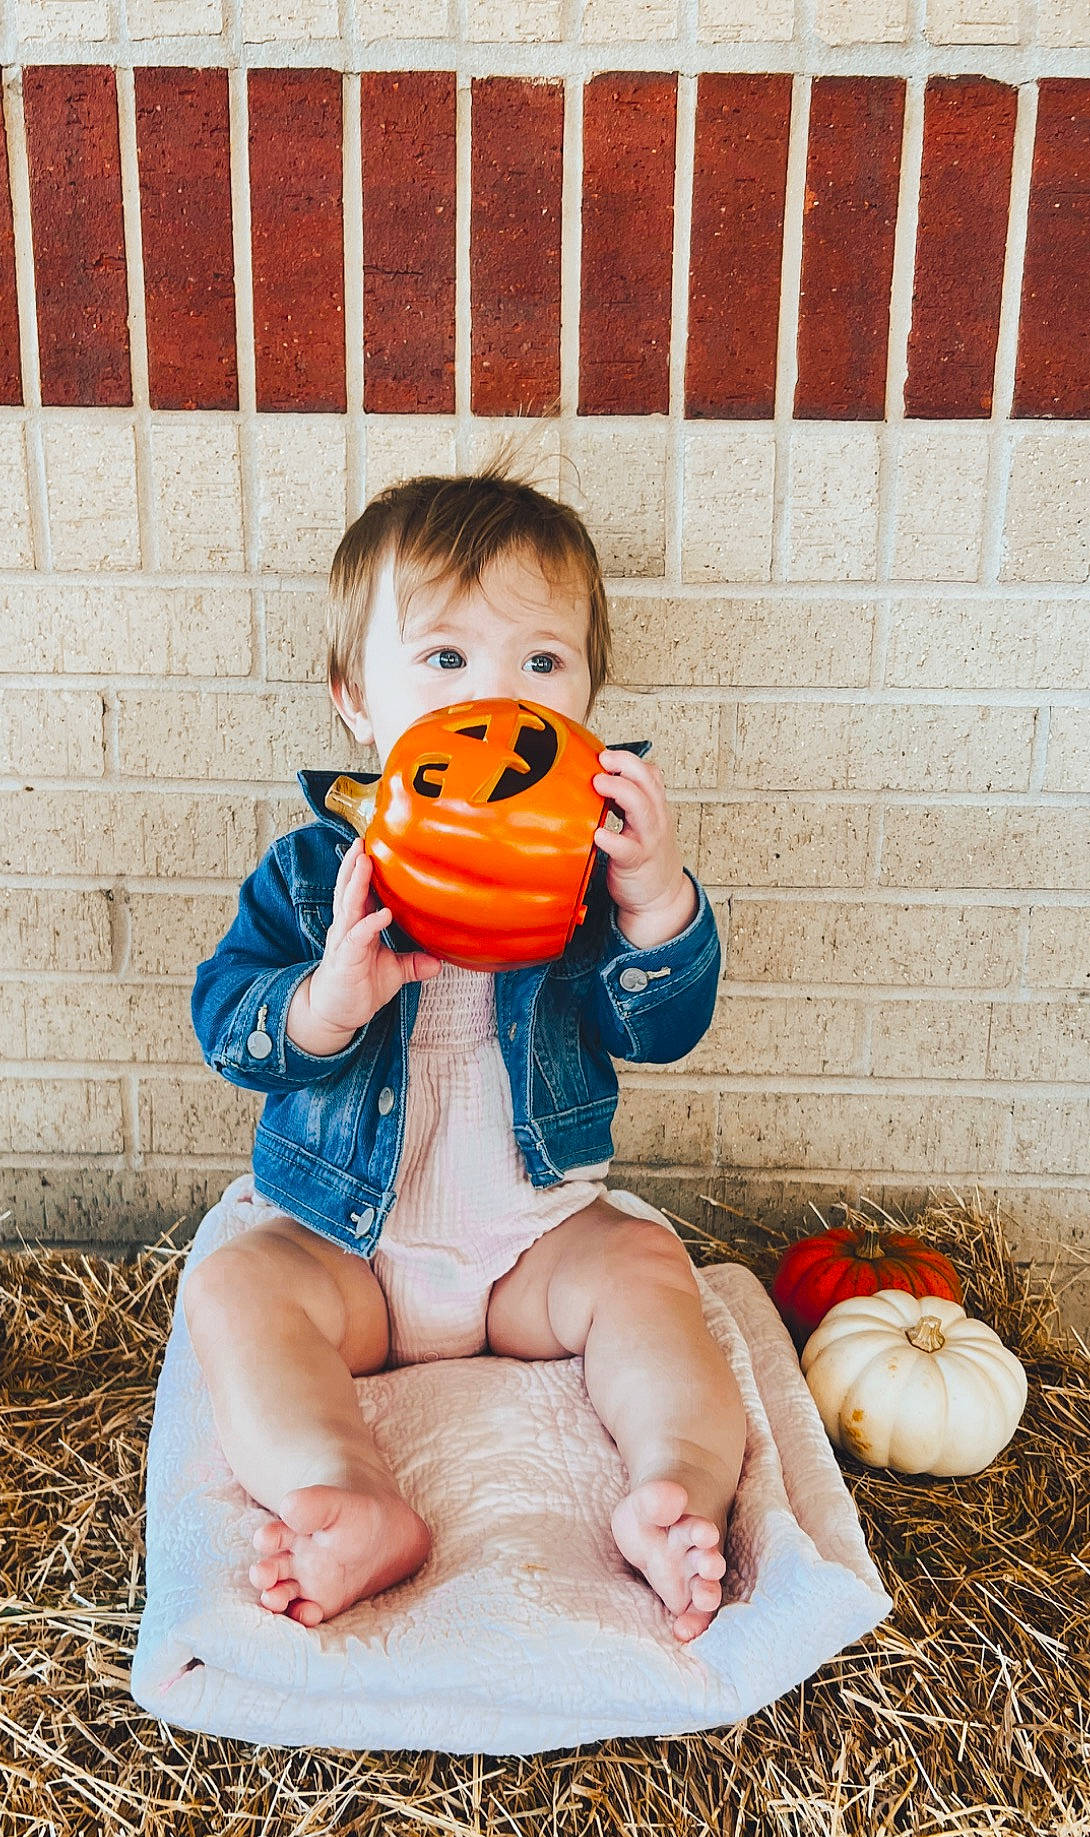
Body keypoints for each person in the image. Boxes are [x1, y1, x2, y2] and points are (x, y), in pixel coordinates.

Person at [184, 452, 747, 1644]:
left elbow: (663, 1030)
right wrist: (328, 997)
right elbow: (229, 1028)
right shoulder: (309, 872)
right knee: (238, 1285)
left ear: (589, 698)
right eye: (446, 659)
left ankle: (674, 1486)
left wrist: (654, 903)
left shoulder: (590, 869)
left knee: (647, 1265)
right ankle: (349, 1491)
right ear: (356, 699)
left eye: (542, 661)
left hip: (535, 1242)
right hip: (353, 1253)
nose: (502, 696)